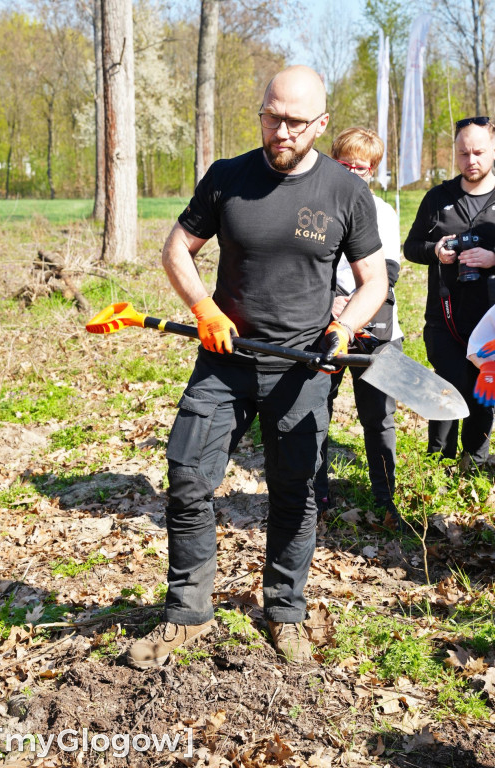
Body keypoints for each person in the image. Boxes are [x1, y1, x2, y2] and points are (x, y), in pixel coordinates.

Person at [127, 65, 388, 669]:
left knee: (295, 491)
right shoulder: (227, 178)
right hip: (225, 361)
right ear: (262, 112)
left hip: (300, 368)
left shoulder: (346, 192)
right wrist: (202, 307)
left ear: (320, 124)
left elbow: (373, 279)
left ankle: (285, 611)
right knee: (188, 477)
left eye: (297, 121)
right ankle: (187, 614)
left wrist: (344, 325)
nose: (282, 131)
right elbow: (176, 249)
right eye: (273, 116)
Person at [313, 127, 403, 527]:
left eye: (361, 167)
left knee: (378, 419)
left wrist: (357, 308)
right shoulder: (314, 204)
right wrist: (328, 301)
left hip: (376, 330)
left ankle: (385, 500)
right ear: (333, 161)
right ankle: (316, 496)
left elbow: (389, 272)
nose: (353, 172)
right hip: (322, 324)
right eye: (345, 164)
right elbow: (305, 269)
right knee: (315, 413)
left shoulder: (384, 212)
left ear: (373, 170)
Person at [404, 116, 495, 470]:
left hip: (488, 325)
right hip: (443, 320)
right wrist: (434, 250)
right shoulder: (437, 198)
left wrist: (492, 258)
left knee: (481, 390)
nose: (471, 160)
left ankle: (473, 462)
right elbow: (411, 247)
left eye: (478, 152)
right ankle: (437, 462)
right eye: (462, 153)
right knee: (447, 385)